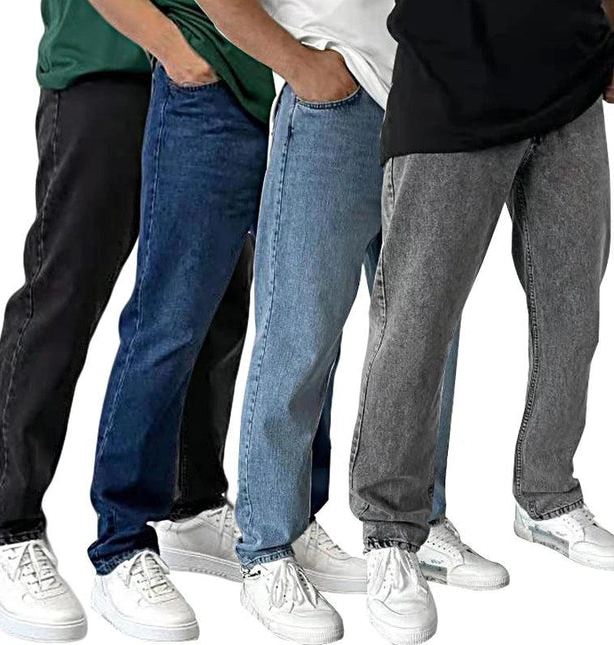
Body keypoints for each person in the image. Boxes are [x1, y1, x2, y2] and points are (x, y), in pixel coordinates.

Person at [194, 0, 507, 642]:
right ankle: (267, 551)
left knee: (426, 337)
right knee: (298, 334)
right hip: (337, 105)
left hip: (432, 105)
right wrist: (300, 66)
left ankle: (413, 526)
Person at [84, 0, 370, 639]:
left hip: (305, 94)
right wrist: (178, 53)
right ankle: (122, 542)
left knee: (303, 318)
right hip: (213, 97)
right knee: (170, 322)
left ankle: (283, 519)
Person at [0, 0, 255, 640]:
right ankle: (9, 526)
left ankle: (191, 502)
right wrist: (176, 52)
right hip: (109, 66)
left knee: (212, 302)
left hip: (220, 74)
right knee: (65, 295)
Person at [350, 0, 614, 643]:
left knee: (572, 311)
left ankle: (548, 495)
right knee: (416, 321)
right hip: (453, 83)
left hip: (572, 82)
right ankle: (390, 533)